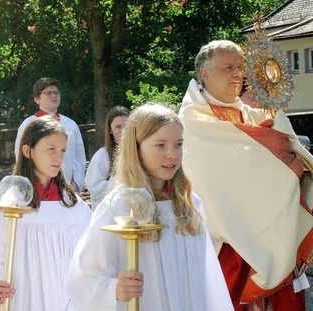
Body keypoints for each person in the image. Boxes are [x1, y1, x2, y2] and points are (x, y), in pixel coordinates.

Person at [178, 40, 313, 310]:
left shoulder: (254, 115)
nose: (238, 73)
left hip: (274, 236)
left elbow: (284, 156)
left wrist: (279, 133)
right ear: (204, 73)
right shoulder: (191, 123)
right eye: (228, 67)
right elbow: (214, 179)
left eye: (241, 67)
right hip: (226, 249)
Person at [67, 104, 232, 310]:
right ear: (136, 148)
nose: (172, 154)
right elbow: (84, 276)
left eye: (178, 144)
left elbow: (208, 278)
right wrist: (114, 289)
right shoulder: (120, 207)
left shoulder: (189, 204)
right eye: (160, 145)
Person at [0, 117, 91, 310]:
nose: (59, 157)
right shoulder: (13, 204)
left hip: (65, 299)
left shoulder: (73, 205)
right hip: (23, 297)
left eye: (63, 150)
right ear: (27, 151)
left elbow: (89, 255)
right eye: (51, 149)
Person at [14, 77, 86, 191]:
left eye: (56, 93)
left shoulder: (71, 125)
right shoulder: (28, 124)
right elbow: (21, 157)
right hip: (36, 188)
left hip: (67, 189)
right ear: (37, 99)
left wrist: (74, 184)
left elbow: (79, 158)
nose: (54, 96)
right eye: (48, 93)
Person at [85, 106, 130, 210]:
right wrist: (121, 181)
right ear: (110, 129)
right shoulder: (102, 155)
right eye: (118, 127)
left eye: (126, 126)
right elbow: (94, 187)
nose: (123, 130)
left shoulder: (140, 153)